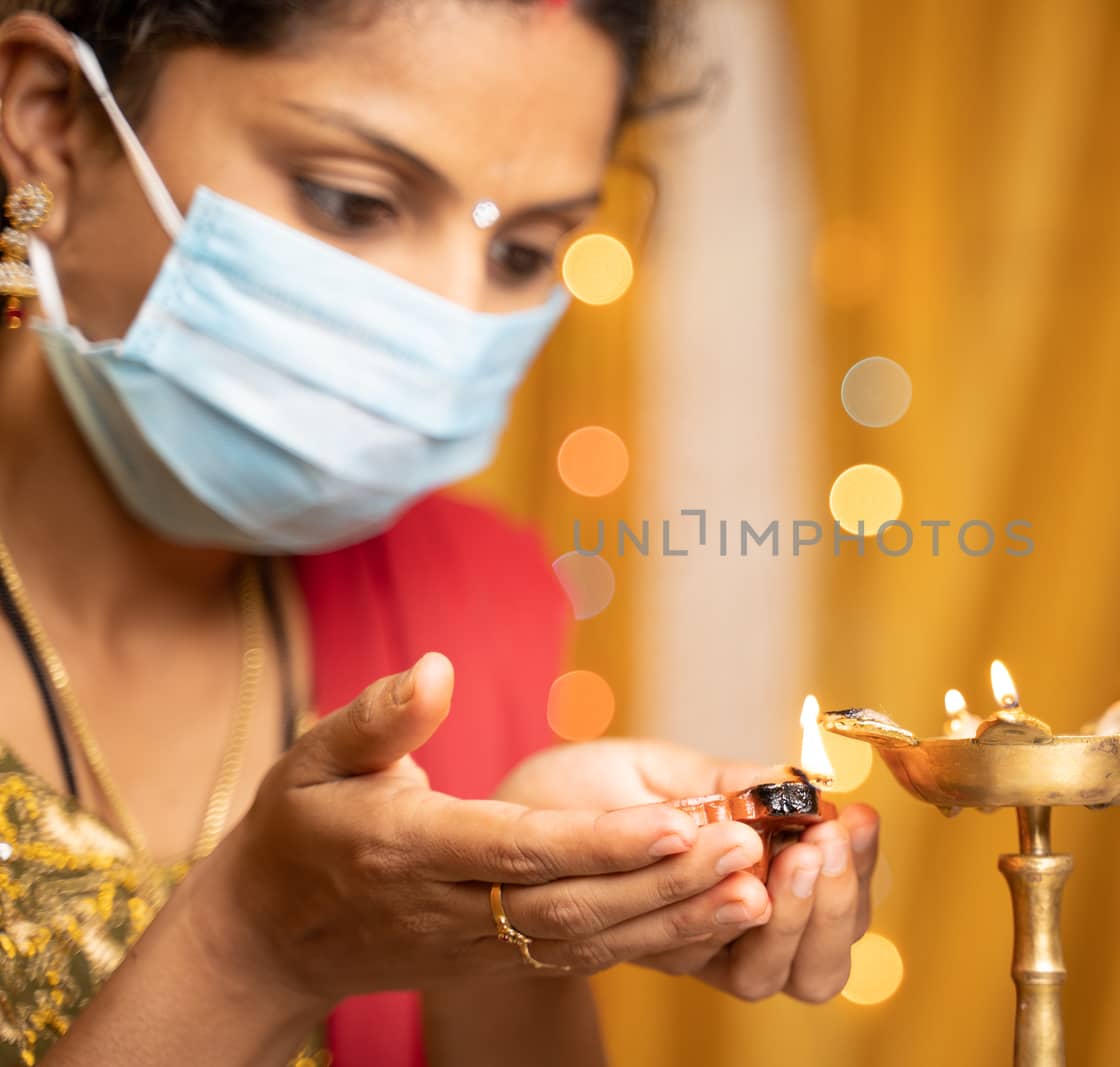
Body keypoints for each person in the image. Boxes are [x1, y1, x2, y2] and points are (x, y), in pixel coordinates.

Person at [0, 2, 880, 1064]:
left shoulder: (478, 605)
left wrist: (516, 920)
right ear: (49, 119)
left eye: (521, 250)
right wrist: (250, 949)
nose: (450, 318)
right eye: (353, 201)